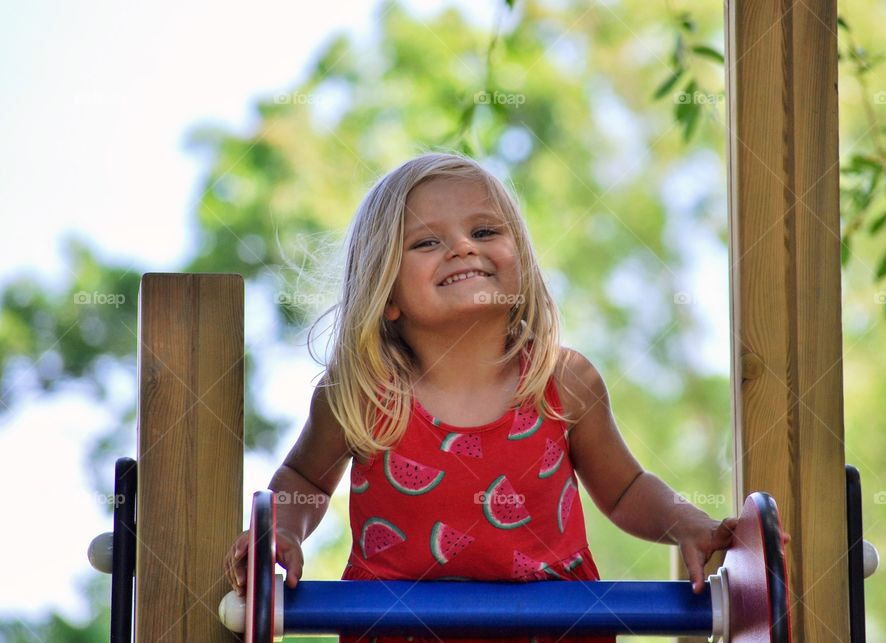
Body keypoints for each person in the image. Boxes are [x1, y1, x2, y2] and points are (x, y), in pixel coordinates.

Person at [224, 152, 739, 643]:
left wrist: (688, 523)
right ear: (385, 295)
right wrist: (283, 533)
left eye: (485, 231)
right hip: (395, 631)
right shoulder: (360, 393)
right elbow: (304, 479)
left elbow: (626, 490)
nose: (463, 247)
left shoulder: (563, 382)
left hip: (557, 631)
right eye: (426, 243)